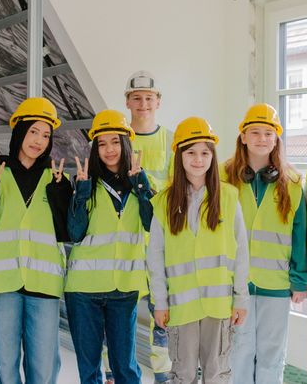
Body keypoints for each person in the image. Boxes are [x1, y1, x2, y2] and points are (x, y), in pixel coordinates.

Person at [0, 97, 73, 384]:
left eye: (46, 135)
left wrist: (61, 193)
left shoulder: (57, 179)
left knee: (44, 370)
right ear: (19, 132)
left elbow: (67, 232)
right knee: (4, 367)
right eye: (33, 132)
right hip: (1, 285)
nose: (39, 140)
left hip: (44, 285)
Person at [147, 116, 249, 384]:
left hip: (219, 306)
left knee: (216, 373)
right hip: (181, 308)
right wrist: (160, 302)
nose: (198, 159)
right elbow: (155, 258)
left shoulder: (228, 197)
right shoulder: (163, 202)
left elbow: (241, 252)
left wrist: (241, 298)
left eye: (205, 153)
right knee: (183, 374)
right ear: (179, 156)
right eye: (191, 152)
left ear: (213, 156)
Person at [65, 109, 154, 384]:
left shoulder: (140, 181)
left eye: (115, 141)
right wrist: (81, 194)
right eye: (102, 143)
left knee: (125, 367)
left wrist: (142, 188)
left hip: (123, 288)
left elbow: (152, 224)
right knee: (90, 369)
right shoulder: (85, 182)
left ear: (126, 143)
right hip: (83, 290)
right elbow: (75, 233)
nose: (109, 149)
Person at [223, 103, 307, 384]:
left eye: (268, 133)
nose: (262, 139)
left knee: (272, 355)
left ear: (276, 139)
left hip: (277, 283)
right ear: (243, 137)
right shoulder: (223, 178)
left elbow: (299, 234)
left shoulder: (293, 182)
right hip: (236, 284)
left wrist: (299, 279)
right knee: (239, 352)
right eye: (255, 132)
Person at [124, 70, 173, 383]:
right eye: (137, 98)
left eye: (149, 98)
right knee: (120, 313)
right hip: (125, 239)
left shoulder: (171, 139)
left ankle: (163, 374)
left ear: (158, 102)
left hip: (159, 240)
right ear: (127, 101)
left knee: (161, 314)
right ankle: (115, 371)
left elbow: (177, 190)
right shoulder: (118, 138)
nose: (143, 104)